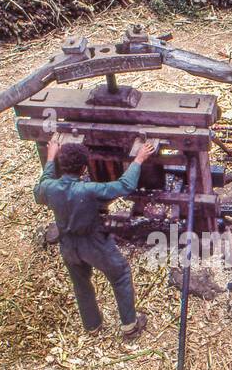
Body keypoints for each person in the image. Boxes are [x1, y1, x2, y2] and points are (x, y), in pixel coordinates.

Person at [34, 135, 156, 338]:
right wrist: (139, 159)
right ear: (84, 168)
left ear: (61, 165)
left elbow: (42, 185)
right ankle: (129, 327)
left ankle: (92, 325)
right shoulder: (89, 190)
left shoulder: (49, 188)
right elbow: (124, 186)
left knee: (81, 284)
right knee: (121, 275)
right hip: (93, 243)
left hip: (68, 245)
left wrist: (50, 157)